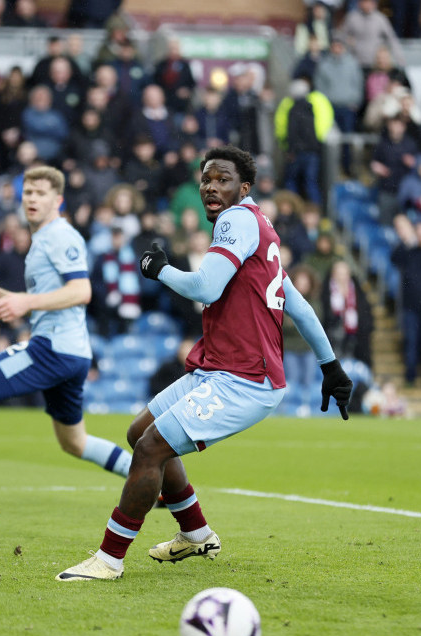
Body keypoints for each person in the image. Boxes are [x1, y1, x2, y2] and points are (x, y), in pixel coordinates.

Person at [55, 146, 353, 581]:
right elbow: (300, 306)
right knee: (141, 433)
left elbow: (206, 288)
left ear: (244, 187)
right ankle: (196, 534)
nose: (212, 187)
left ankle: (109, 559)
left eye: (223, 179)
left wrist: (159, 270)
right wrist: (331, 366)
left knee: (150, 448)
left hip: (245, 378)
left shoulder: (237, 221)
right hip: (219, 368)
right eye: (207, 179)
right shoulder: (261, 229)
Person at [0, 166, 133, 507]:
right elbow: (51, 296)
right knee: (75, 442)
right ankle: (151, 479)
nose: (32, 199)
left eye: (40, 193)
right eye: (28, 192)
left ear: (58, 200)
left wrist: (25, 301)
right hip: (72, 353)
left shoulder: (60, 236)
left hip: (52, 349)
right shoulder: (42, 239)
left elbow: (81, 290)